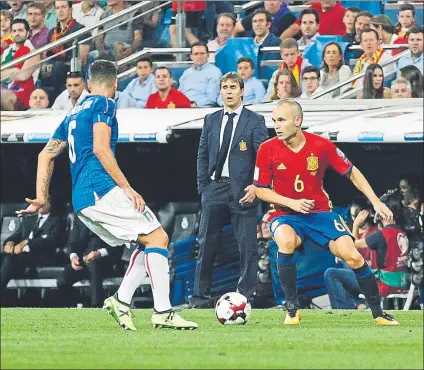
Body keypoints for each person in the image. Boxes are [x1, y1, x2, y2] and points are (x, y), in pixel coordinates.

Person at [16, 60, 198, 331]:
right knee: (158, 237)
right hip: (100, 189)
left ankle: (122, 301)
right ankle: (163, 311)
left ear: (88, 84)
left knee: (147, 241)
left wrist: (41, 197)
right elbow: (102, 148)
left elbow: (46, 154)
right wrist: (126, 187)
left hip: (82, 199)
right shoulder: (105, 104)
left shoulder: (74, 113)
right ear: (115, 84)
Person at [254, 99, 399, 325]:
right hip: (285, 214)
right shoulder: (267, 149)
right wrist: (291, 203)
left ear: (297, 121)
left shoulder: (321, 145)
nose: (277, 126)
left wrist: (375, 201)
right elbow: (260, 190)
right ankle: (292, 309)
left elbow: (352, 172)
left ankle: (378, 314)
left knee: (352, 256)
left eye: (281, 120)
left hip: (320, 213)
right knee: (285, 241)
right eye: (274, 121)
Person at [192, 72, 268, 308]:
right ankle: (200, 297)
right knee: (206, 245)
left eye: (233, 87)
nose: (228, 91)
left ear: (242, 91)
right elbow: (202, 155)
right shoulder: (211, 119)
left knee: (247, 246)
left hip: (243, 191)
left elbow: (264, 158)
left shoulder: (255, 120)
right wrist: (203, 186)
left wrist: (257, 186)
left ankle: (245, 297)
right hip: (214, 188)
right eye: (224, 87)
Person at [56, 213, 123, 308]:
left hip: (106, 262)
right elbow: (72, 242)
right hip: (83, 261)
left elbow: (119, 245)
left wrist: (99, 253)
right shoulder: (80, 216)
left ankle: (96, 306)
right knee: (62, 281)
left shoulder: (111, 214)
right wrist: (73, 257)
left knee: (94, 265)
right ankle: (82, 301)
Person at [1, 202, 62, 303]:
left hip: (42, 257)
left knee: (11, 259)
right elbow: (16, 235)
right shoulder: (29, 219)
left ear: (51, 204)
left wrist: (27, 242)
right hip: (23, 257)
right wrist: (10, 242)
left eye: (45, 201)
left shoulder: (57, 221)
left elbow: (51, 241)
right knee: (7, 257)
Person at [355, 195, 409, 297]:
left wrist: (356, 224)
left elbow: (353, 245)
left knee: (333, 274)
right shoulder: (402, 232)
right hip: (403, 284)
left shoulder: (381, 235)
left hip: (385, 286)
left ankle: (358, 306)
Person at [1, 19, 39, 109]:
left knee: (3, 95)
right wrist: (14, 71)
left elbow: (22, 75)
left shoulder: (34, 52)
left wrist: (7, 72)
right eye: (14, 31)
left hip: (24, 93)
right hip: (5, 87)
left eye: (20, 30)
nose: (17, 33)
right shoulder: (7, 51)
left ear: (28, 33)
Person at [178, 42, 222, 107]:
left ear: (208, 55)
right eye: (196, 54)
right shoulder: (186, 73)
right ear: (191, 56)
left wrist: (195, 104)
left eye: (202, 53)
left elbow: (212, 98)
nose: (199, 56)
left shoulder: (214, 72)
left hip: (203, 109)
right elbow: (179, 93)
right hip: (183, 108)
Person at [234, 1, 299, 41]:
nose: (271, 3)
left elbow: (277, 44)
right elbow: (236, 28)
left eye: (274, 0)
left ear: (281, 2)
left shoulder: (289, 18)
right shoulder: (257, 15)